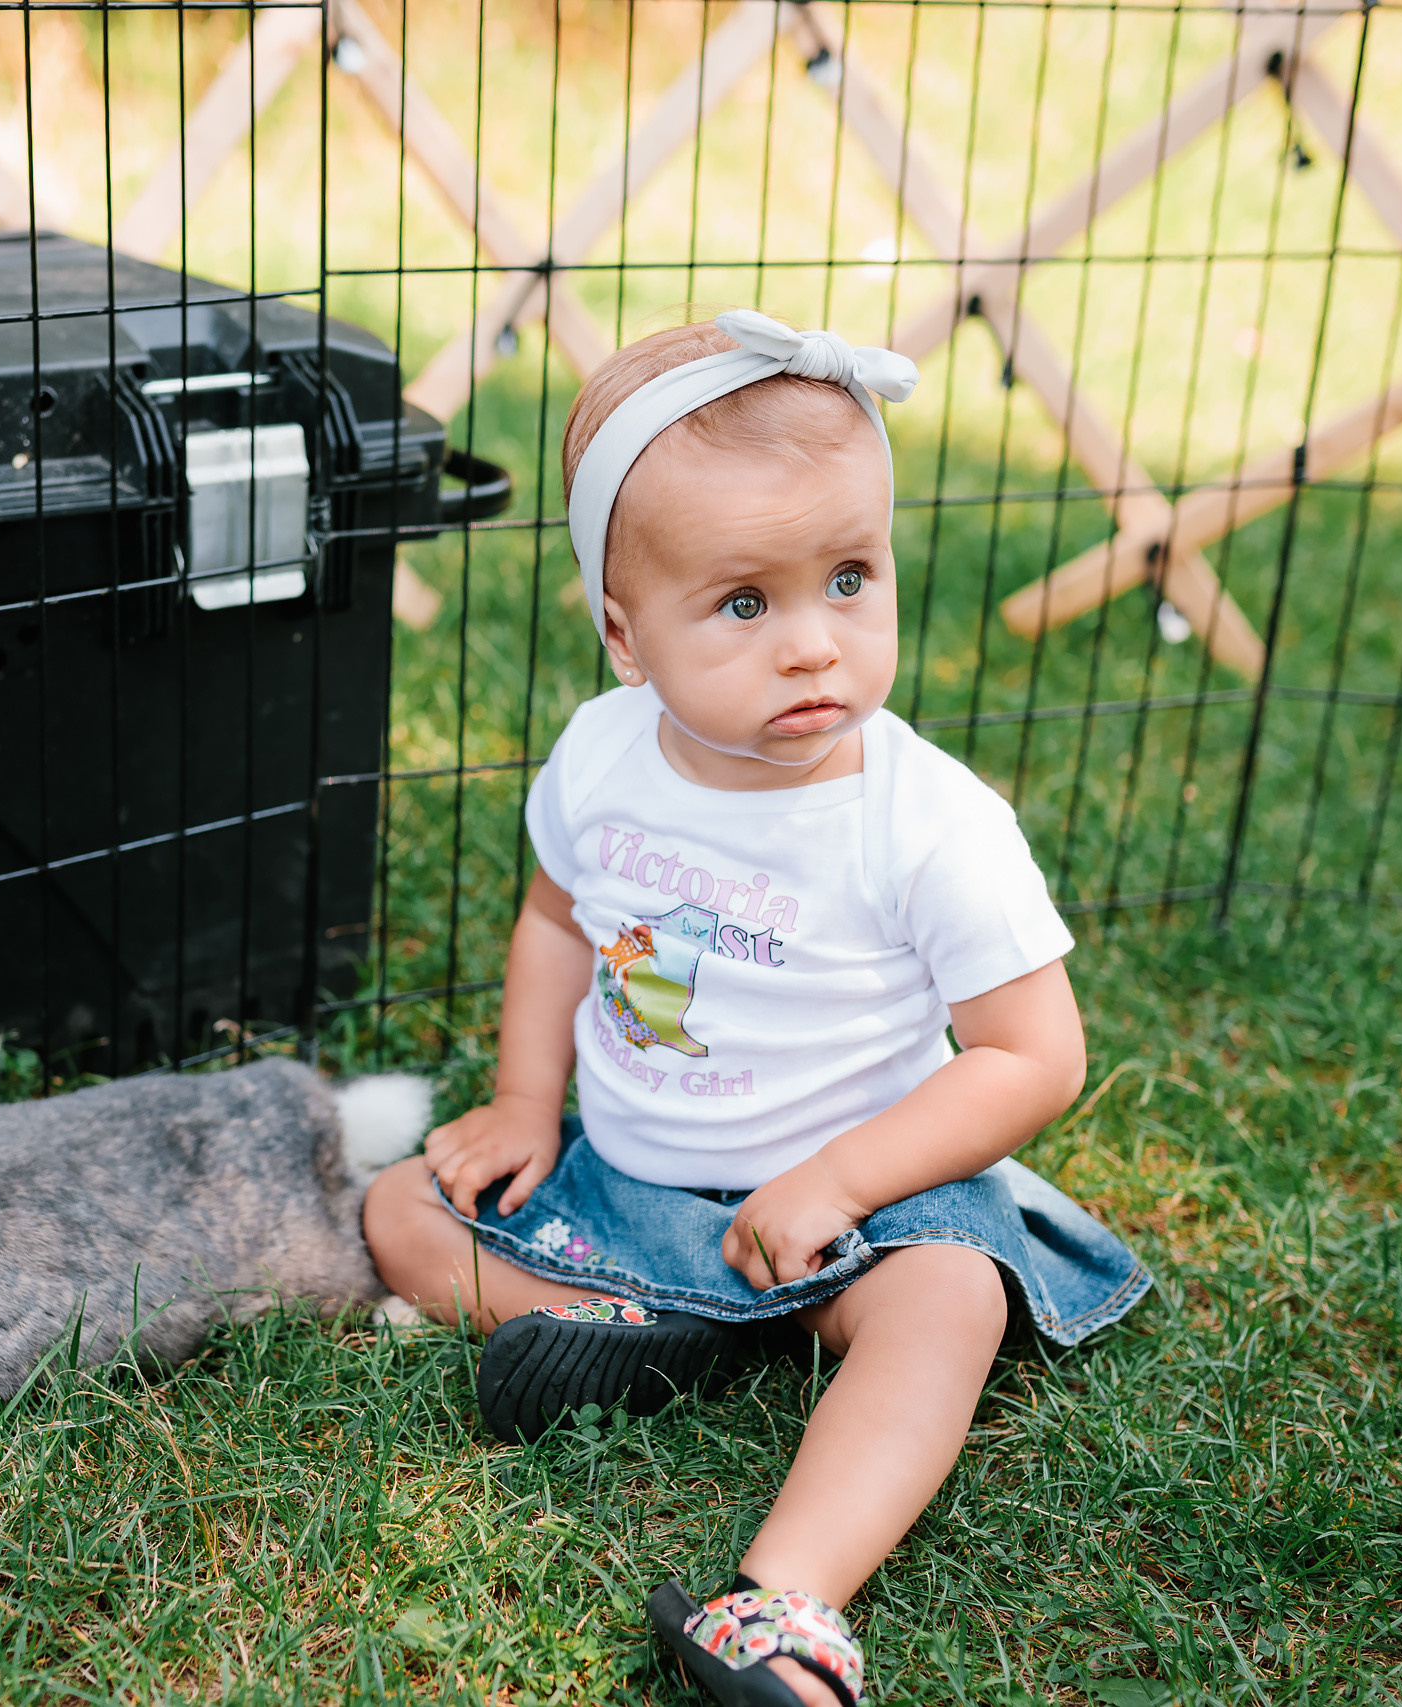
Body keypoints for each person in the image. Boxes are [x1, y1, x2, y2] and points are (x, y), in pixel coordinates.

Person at [362, 310, 1151, 1707]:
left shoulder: (927, 823)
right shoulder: (605, 758)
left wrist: (841, 1179)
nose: (813, 648)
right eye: (745, 603)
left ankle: (784, 1604)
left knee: (950, 1303)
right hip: (636, 1177)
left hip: (865, 1202)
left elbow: (1035, 1057)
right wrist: (524, 1104)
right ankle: (617, 1329)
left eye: (851, 579)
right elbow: (555, 920)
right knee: (400, 1210)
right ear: (624, 632)